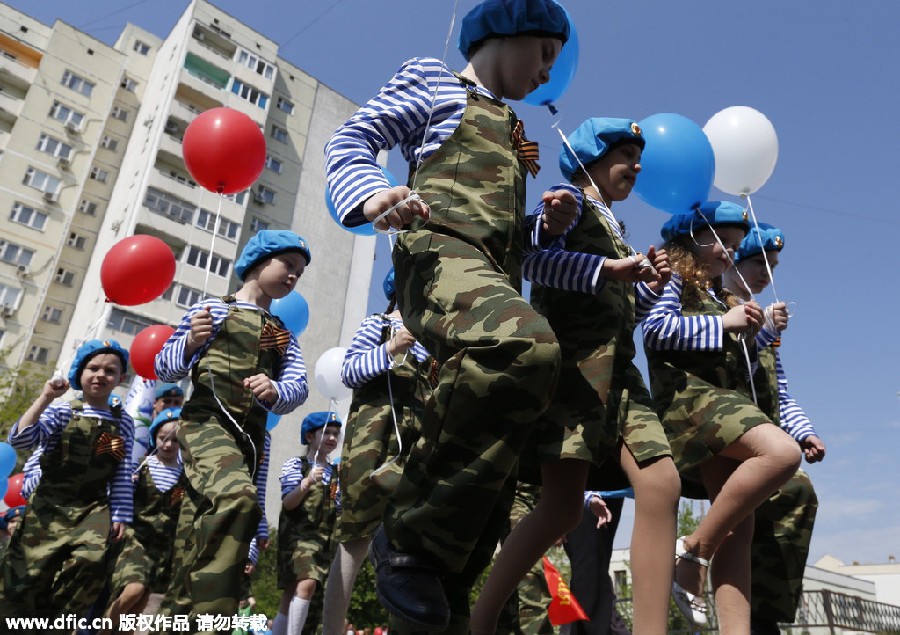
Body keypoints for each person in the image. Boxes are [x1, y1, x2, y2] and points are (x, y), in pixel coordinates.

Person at [325, 0, 577, 627]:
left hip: (491, 271)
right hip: (436, 253)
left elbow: (503, 234)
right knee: (528, 345)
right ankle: (408, 538)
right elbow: (354, 136)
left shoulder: (515, 131)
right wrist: (369, 193)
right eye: (545, 53)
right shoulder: (433, 80)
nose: (549, 72)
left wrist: (543, 227)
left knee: (509, 432)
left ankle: (444, 591)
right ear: (506, 30)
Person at [472, 117, 680, 635]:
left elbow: (622, 306)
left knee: (661, 483)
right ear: (591, 157)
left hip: (621, 375)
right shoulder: (569, 200)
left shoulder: (613, 223)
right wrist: (583, 248)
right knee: (562, 509)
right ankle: (479, 623)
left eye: (639, 157)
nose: (635, 165)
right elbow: (536, 260)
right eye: (624, 154)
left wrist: (648, 283)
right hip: (575, 372)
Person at [641, 202, 802, 632]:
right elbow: (655, 332)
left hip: (723, 410)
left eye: (733, 245)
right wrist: (726, 324)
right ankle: (693, 549)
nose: (728, 253)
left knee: (738, 530)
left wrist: (761, 331)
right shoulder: (675, 280)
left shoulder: (724, 295)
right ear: (689, 240)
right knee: (783, 454)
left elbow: (744, 363)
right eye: (720, 242)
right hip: (693, 404)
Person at [155, 230, 311, 629]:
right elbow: (165, 368)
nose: (293, 276)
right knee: (237, 498)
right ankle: (211, 618)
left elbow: (299, 387)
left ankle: (178, 618)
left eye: (299, 272)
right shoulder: (211, 310)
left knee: (197, 529)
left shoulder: (281, 334)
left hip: (250, 441)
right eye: (287, 266)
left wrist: (276, 389)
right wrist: (190, 342)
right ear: (259, 262)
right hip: (206, 424)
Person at [722, 223, 825, 634]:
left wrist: (804, 432)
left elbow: (777, 391)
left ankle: (766, 614)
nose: (768, 273)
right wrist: (762, 332)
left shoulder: (763, 315)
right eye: (759, 262)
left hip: (764, 435)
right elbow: (726, 366)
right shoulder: (716, 301)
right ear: (732, 258)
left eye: (774, 265)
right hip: (724, 432)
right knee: (786, 492)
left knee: (798, 492)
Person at [321, 269, 434, 635]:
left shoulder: (434, 344)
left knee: (410, 549)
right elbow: (350, 372)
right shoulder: (378, 324)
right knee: (355, 540)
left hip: (417, 453)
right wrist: (390, 348)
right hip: (371, 447)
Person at [0, 339, 134, 619]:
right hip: (49, 506)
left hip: (92, 508)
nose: (100, 375)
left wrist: (122, 513)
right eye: (93, 368)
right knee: (25, 578)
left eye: (110, 371)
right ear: (79, 373)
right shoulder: (61, 411)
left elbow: (121, 469)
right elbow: (21, 439)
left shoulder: (123, 422)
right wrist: (46, 397)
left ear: (121, 378)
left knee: (91, 560)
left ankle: (55, 621)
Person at [101, 407, 186, 635]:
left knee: (138, 608)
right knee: (133, 590)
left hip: (162, 549)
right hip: (135, 541)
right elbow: (118, 495)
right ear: (153, 436)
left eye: (176, 440)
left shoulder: (185, 475)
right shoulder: (141, 466)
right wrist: (129, 484)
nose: (168, 445)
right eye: (163, 438)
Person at [273, 411, 342, 635]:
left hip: (323, 542)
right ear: (309, 436)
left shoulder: (335, 473)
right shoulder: (296, 465)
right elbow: (289, 503)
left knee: (292, 591)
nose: (332, 438)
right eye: (326, 432)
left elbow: (337, 506)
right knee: (307, 583)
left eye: (335, 433)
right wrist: (307, 482)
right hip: (297, 539)